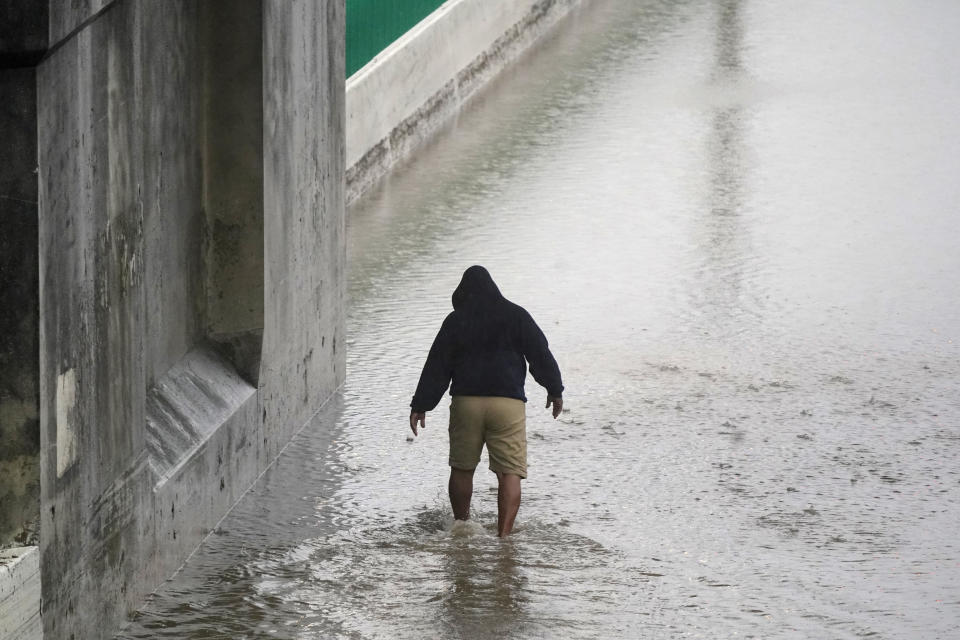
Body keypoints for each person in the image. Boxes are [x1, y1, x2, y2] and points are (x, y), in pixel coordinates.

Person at [409, 265, 564, 537]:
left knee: (462, 468)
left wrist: (421, 404)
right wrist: (554, 389)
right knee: (509, 473)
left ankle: (462, 526)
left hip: (466, 403)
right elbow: (540, 353)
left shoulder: (456, 321)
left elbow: (437, 365)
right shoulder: (516, 315)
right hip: (508, 404)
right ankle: (504, 537)